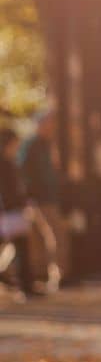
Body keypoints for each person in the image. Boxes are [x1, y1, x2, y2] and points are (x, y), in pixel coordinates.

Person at [18, 108, 66, 290]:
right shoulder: (30, 145)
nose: (52, 126)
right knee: (52, 236)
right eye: (48, 123)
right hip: (38, 198)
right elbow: (21, 170)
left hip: (49, 197)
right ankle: (54, 275)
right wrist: (29, 194)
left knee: (39, 237)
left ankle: (42, 275)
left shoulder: (47, 144)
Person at [0, 126, 34, 299]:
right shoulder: (4, 164)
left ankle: (25, 284)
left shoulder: (11, 162)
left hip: (13, 211)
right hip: (8, 212)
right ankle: (23, 284)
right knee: (19, 247)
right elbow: (9, 191)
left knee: (20, 247)